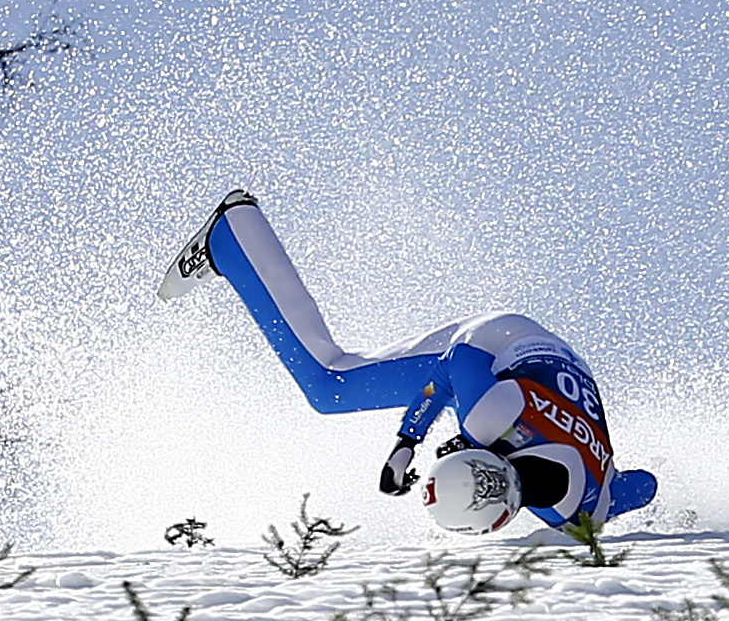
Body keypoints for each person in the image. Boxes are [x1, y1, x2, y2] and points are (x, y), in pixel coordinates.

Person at [159, 189, 658, 535]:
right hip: (498, 344)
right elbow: (452, 364)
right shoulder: (489, 420)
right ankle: (233, 236)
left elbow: (644, 486)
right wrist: (407, 442)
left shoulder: (591, 508)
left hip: (559, 370)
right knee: (330, 385)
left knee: (474, 409)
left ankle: (237, 240)